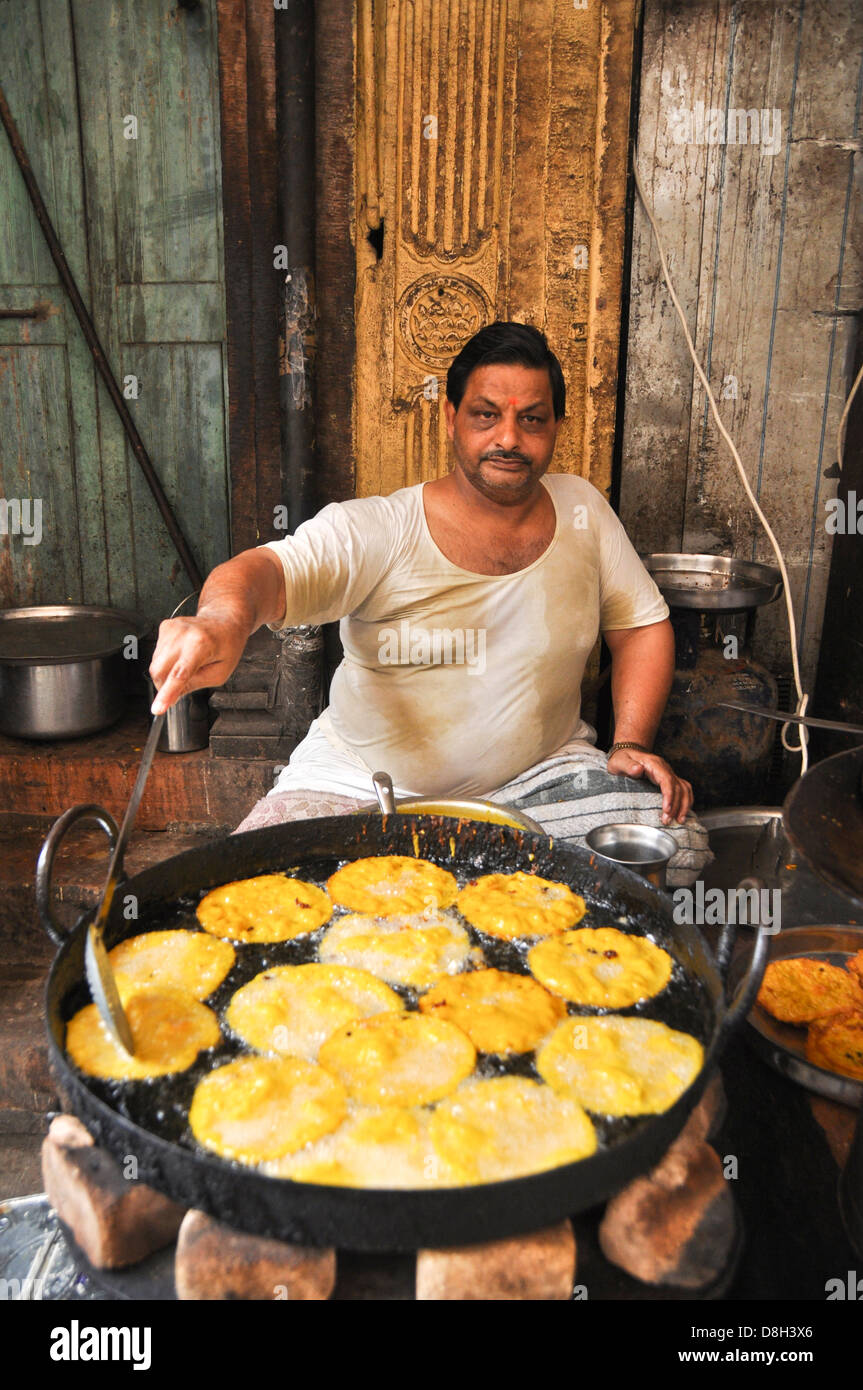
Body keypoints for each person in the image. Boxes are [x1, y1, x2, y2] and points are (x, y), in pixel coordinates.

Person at [150, 322, 702, 866]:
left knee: (677, 847)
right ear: (449, 417)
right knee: (260, 894)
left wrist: (628, 743)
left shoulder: (583, 509)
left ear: (557, 425)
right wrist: (219, 621)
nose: (509, 438)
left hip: (543, 777)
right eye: (486, 415)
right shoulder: (381, 528)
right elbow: (266, 571)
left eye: (531, 419)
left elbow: (640, 628)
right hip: (362, 785)